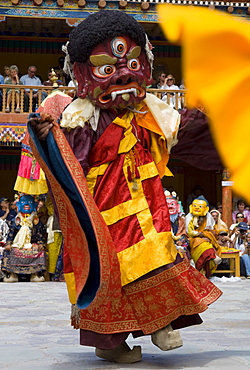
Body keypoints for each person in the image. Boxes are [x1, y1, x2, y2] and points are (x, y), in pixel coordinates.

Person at [28, 10, 221, 364]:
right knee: (110, 273)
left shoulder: (151, 111)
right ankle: (111, 342)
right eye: (107, 68)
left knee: (159, 254)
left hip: (148, 204)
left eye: (132, 62)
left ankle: (161, 324)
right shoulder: (79, 114)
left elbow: (181, 131)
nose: (123, 74)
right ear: (85, 73)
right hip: (105, 209)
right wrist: (51, 137)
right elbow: (68, 159)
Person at [2, 194, 47, 283]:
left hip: (32, 244)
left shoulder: (36, 221)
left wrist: (40, 243)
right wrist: (9, 243)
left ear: (34, 205)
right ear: (18, 205)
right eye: (23, 202)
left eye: (30, 202)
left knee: (40, 251)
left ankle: (35, 274)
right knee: (9, 251)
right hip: (17, 244)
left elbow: (39, 234)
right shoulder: (15, 220)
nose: (26, 204)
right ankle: (12, 274)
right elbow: (11, 233)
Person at [186, 196, 222, 277]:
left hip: (205, 239)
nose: (197, 208)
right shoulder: (190, 217)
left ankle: (206, 269)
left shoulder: (208, 217)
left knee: (207, 244)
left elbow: (211, 230)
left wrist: (206, 235)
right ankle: (213, 256)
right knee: (200, 242)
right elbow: (189, 232)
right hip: (192, 239)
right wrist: (199, 234)